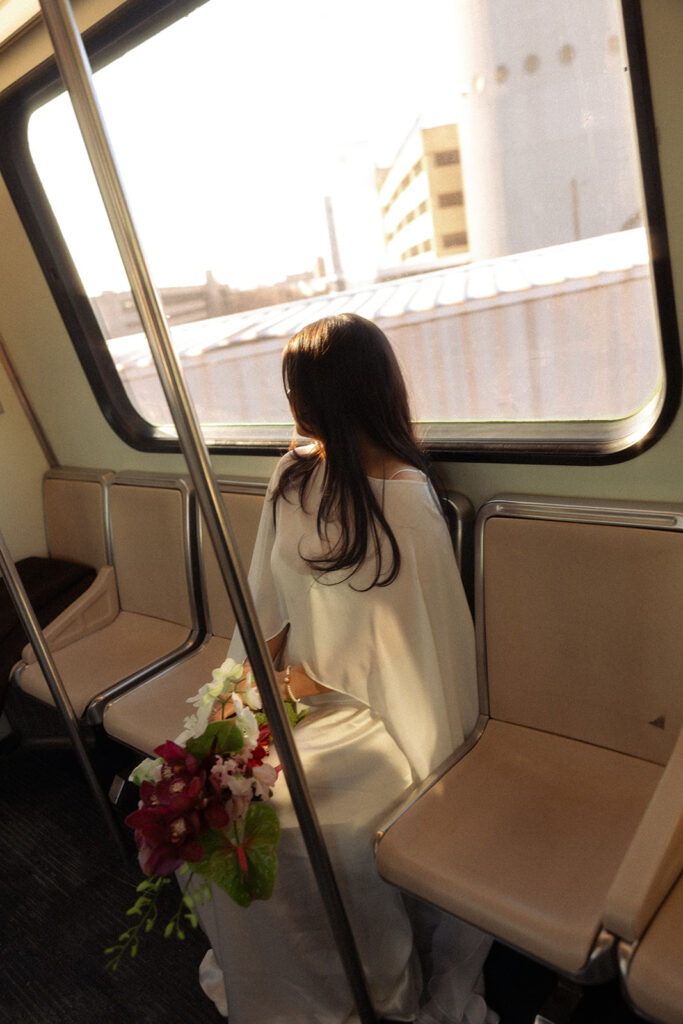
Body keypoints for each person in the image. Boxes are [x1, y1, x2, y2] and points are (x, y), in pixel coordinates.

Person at [196, 313, 497, 1024]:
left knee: (302, 825)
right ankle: (271, 983)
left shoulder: (407, 503)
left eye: (300, 388)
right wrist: (239, 693)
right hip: (294, 693)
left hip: (377, 714)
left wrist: (306, 685)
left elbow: (418, 653)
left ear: (338, 394)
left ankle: (364, 992)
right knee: (217, 785)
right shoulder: (293, 476)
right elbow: (267, 602)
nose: (291, 404)